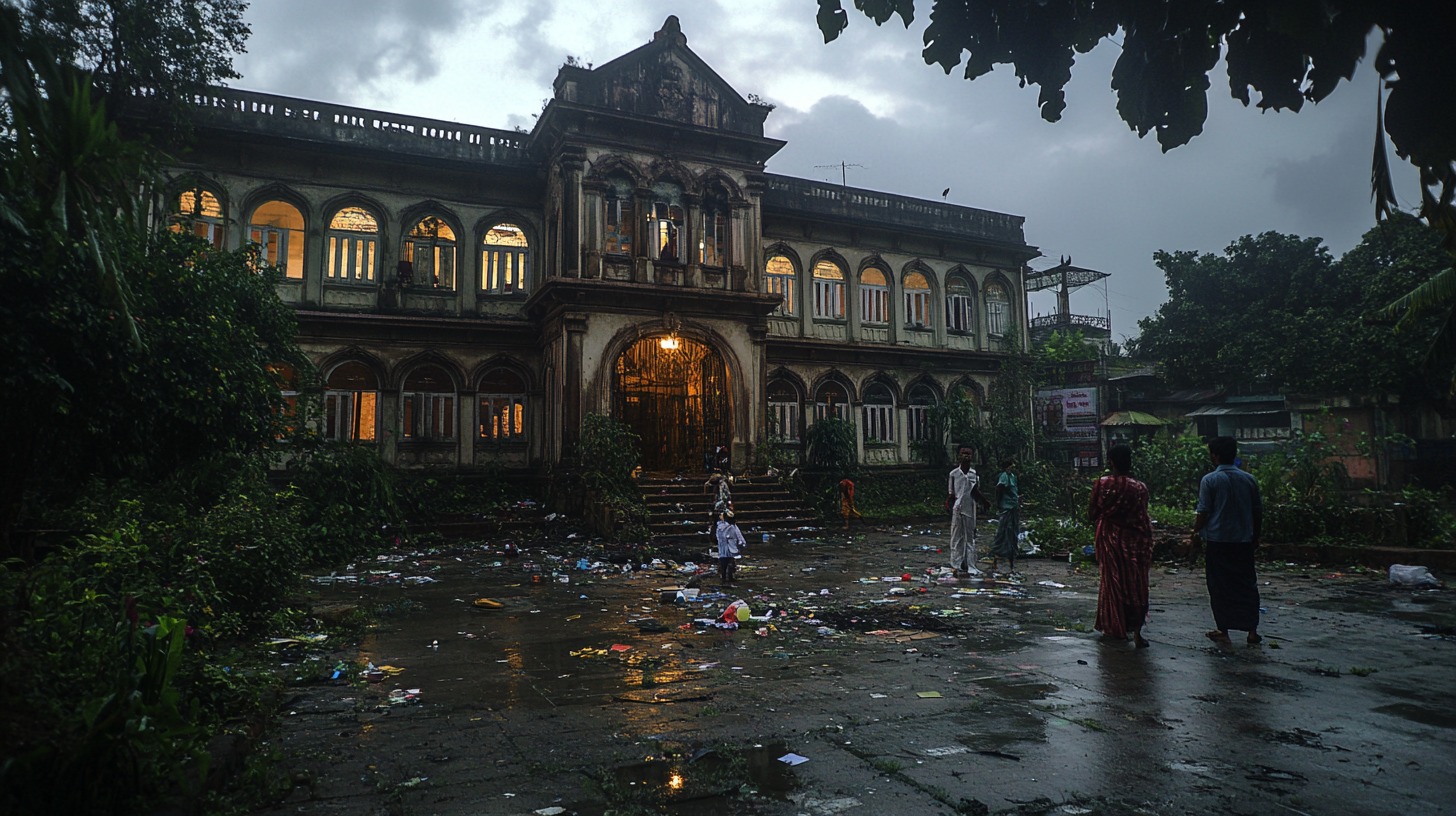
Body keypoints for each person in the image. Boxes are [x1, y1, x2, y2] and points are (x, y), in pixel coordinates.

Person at [1191, 436, 1264, 646]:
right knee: (1246, 584)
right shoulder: (1249, 479)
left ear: (1215, 456)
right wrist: (1256, 535)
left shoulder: (1210, 480)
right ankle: (1252, 630)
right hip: (1243, 540)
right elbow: (1257, 511)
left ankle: (1223, 629)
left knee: (1219, 586)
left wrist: (1195, 531)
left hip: (1218, 541)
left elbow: (1203, 511)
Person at [1089, 444, 1154, 648]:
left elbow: (1092, 513)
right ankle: (1136, 632)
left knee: (1113, 584)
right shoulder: (1140, 487)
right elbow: (1143, 516)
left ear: (1111, 462)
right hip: (1137, 542)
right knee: (1136, 585)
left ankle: (1115, 627)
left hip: (1111, 540)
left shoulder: (1103, 484)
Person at [945, 446, 990, 577]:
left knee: (970, 538)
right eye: (964, 453)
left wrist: (984, 502)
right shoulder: (953, 474)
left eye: (969, 454)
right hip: (958, 509)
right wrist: (948, 504)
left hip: (970, 508)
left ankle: (970, 564)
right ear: (959, 456)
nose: (966, 456)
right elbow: (951, 494)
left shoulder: (973, 474)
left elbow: (975, 491)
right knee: (956, 538)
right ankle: (956, 564)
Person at [988, 458, 1022, 578]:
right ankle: (997, 560)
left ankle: (1011, 561)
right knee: (1003, 533)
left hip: (1013, 507)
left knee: (1013, 534)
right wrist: (998, 503)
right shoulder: (1004, 476)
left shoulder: (1012, 476)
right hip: (1006, 507)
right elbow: (999, 489)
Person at [715, 510, 746, 586]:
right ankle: (724, 578)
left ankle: (730, 576)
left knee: (730, 561)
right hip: (724, 546)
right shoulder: (721, 526)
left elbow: (737, 535)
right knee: (724, 563)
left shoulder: (731, 526)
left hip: (730, 545)